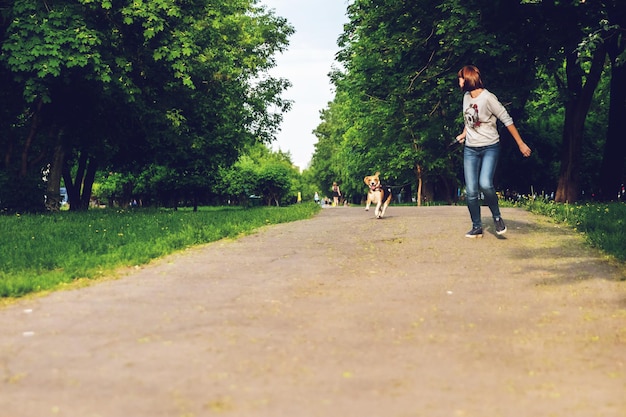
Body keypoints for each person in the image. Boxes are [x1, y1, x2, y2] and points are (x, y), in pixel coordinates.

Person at [455, 65, 532, 238]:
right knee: (471, 191)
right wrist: (463, 134)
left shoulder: (488, 98)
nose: (458, 82)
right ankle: (476, 227)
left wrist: (520, 143)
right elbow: (470, 120)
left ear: (467, 79)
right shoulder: (466, 97)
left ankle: (497, 217)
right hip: (470, 149)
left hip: (490, 146)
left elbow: (506, 119)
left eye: (460, 78)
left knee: (485, 184)